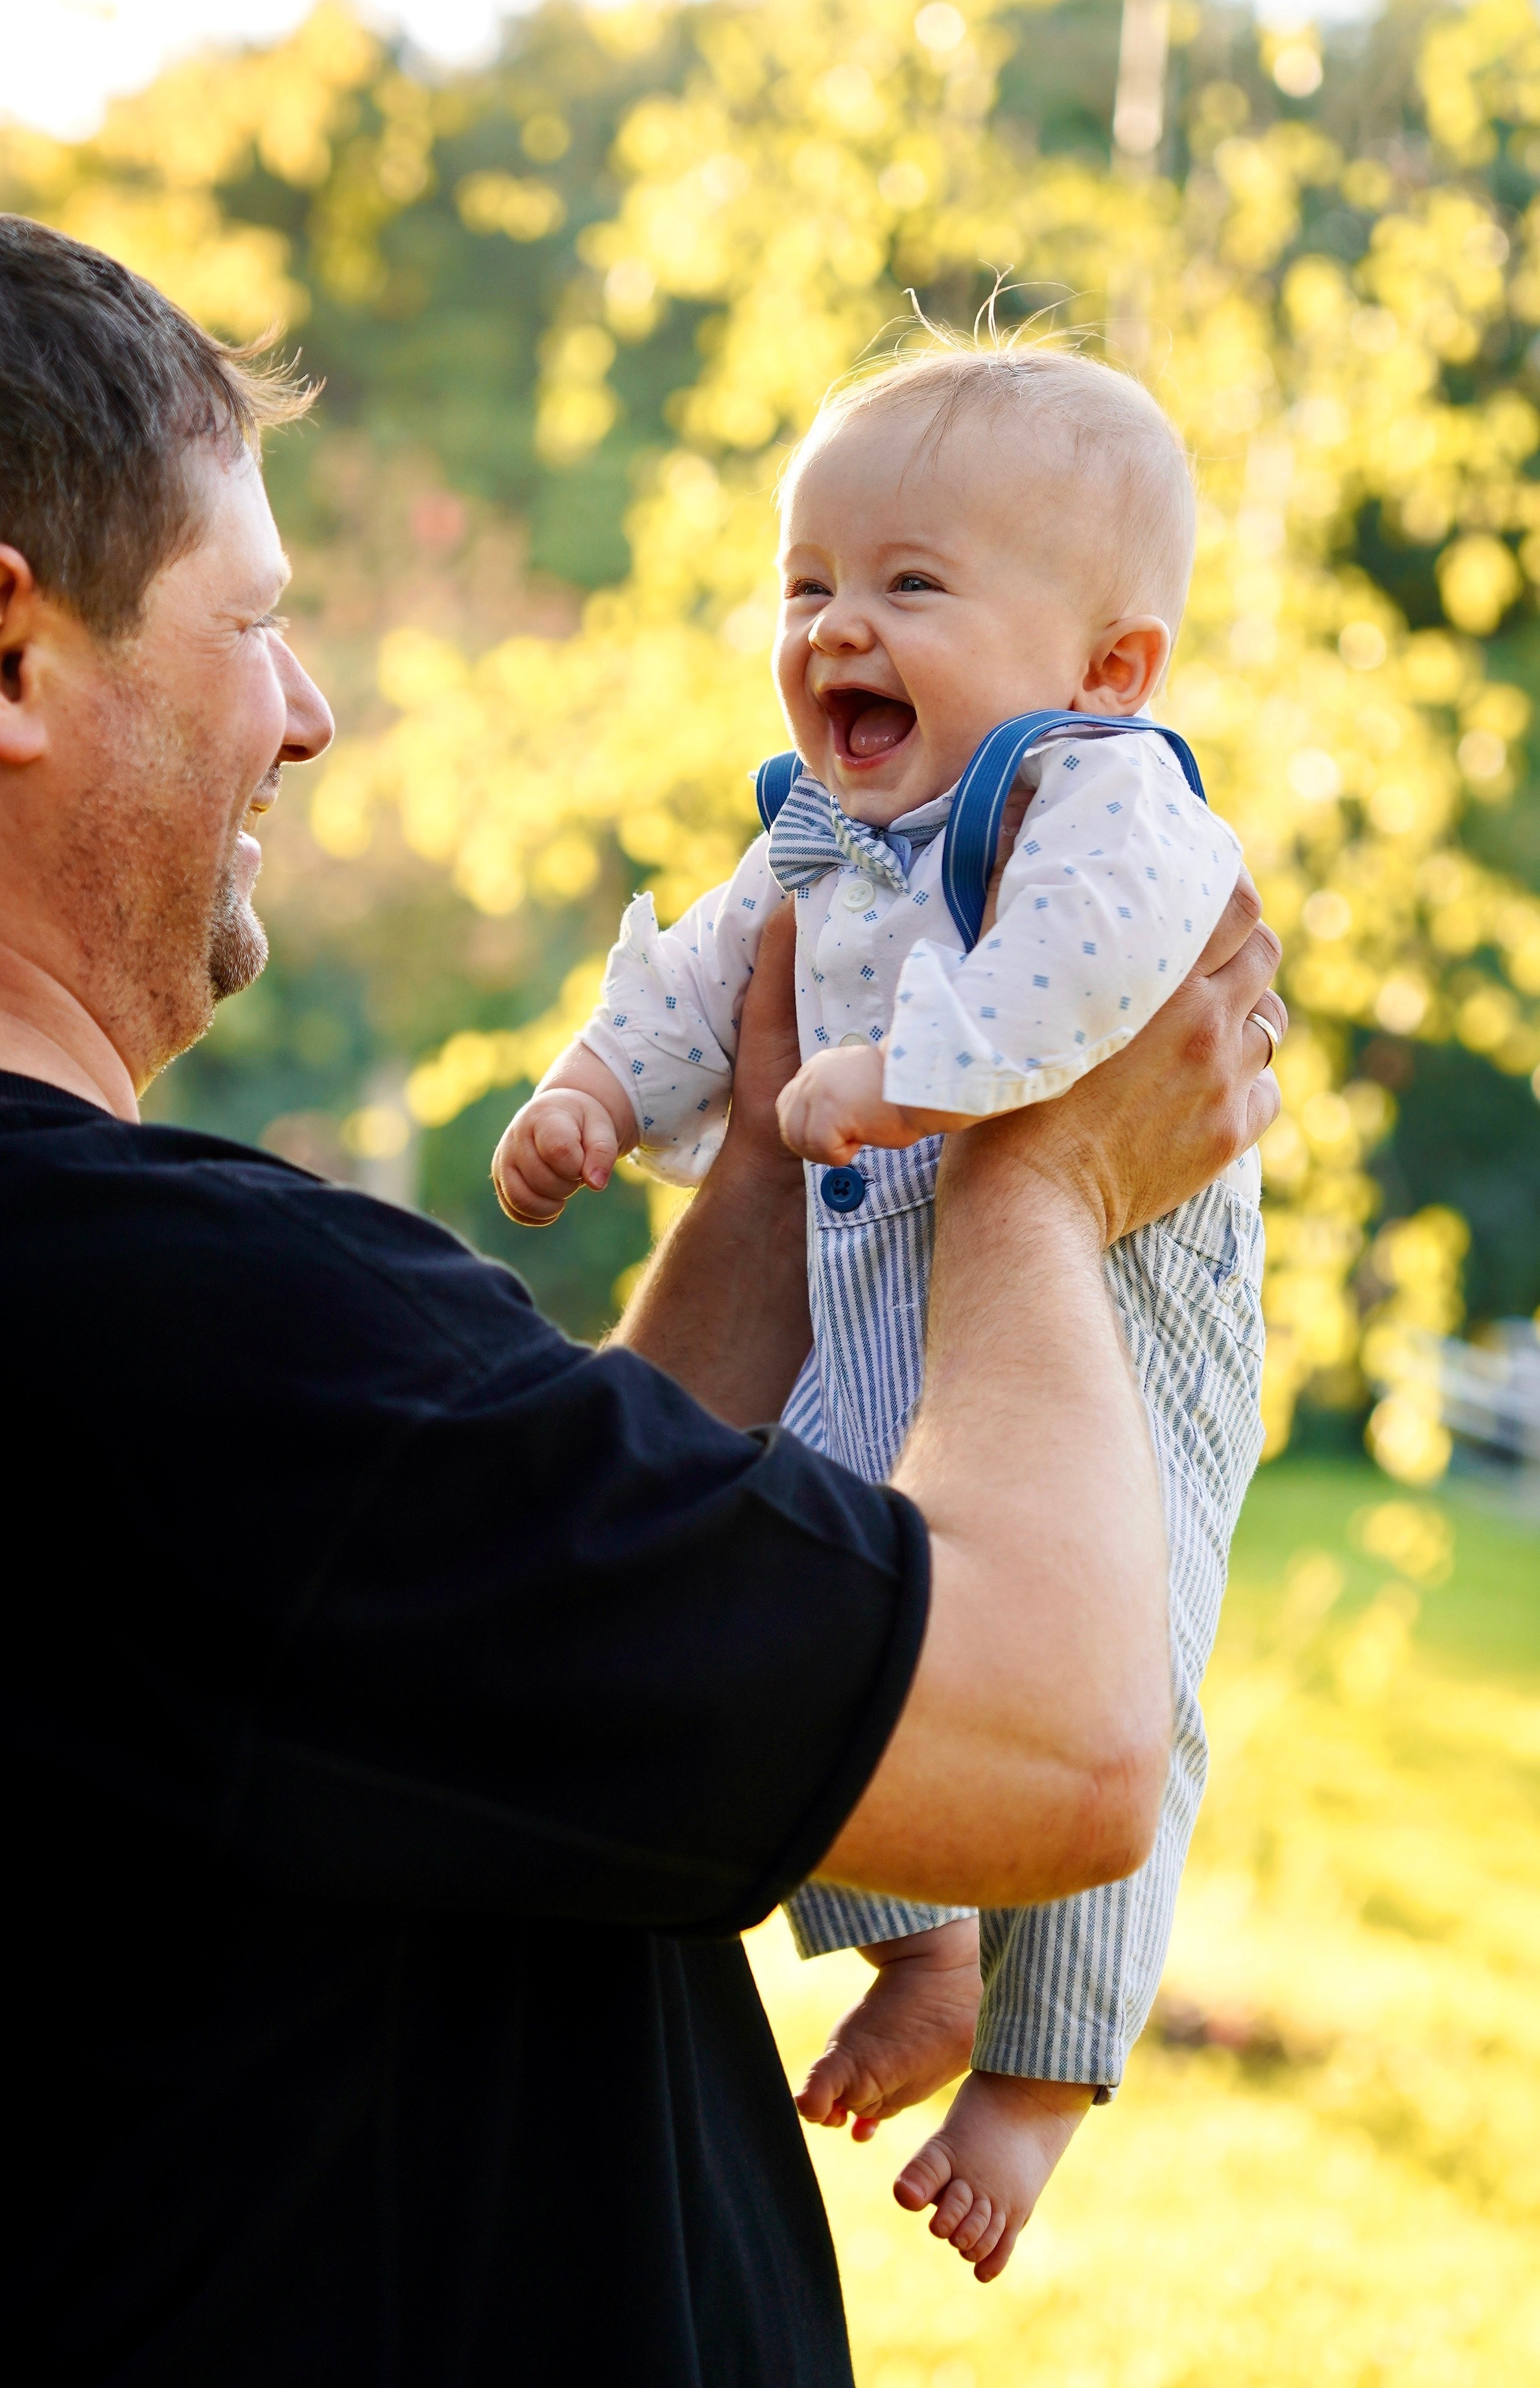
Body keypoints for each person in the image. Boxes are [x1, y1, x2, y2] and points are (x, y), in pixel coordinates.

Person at [0, 209, 1281, 2385]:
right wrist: (1044, 1169)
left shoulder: (33, 1333)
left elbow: (530, 1635)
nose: (312, 713)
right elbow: (1061, 1739)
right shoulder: (167, 1330)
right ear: (0, 655)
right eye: (252, 619)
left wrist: (738, 1188)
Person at [493, 346, 1272, 2280]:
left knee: (1122, 1656)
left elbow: (1117, 957)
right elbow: (703, 981)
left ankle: (1044, 2070)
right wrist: (602, 1092)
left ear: (1108, 667)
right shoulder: (822, 841)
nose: (840, 622)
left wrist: (934, 1073)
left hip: (1111, 1294)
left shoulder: (1084, 792)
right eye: (810, 582)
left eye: (913, 585)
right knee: (802, 1592)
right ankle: (919, 1947)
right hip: (877, 1296)